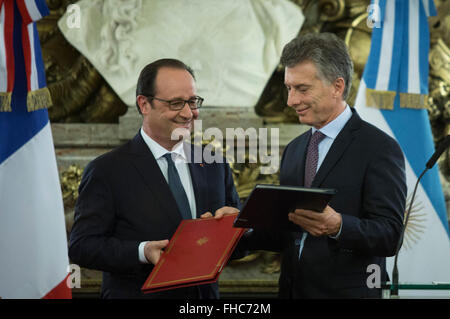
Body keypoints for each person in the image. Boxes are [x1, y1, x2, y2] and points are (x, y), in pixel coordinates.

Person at [235, 33, 407, 298]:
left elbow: (390, 235)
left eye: (302, 89)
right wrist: (239, 223)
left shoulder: (379, 148)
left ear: (337, 86)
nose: (291, 100)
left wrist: (338, 225)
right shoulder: (294, 149)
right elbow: (288, 232)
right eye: (289, 88)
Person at [68, 58, 240, 299]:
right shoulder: (106, 170)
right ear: (144, 104)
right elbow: (81, 247)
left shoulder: (213, 163)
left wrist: (238, 226)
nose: (189, 113)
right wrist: (142, 251)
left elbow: (238, 240)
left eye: (192, 101)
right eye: (176, 103)